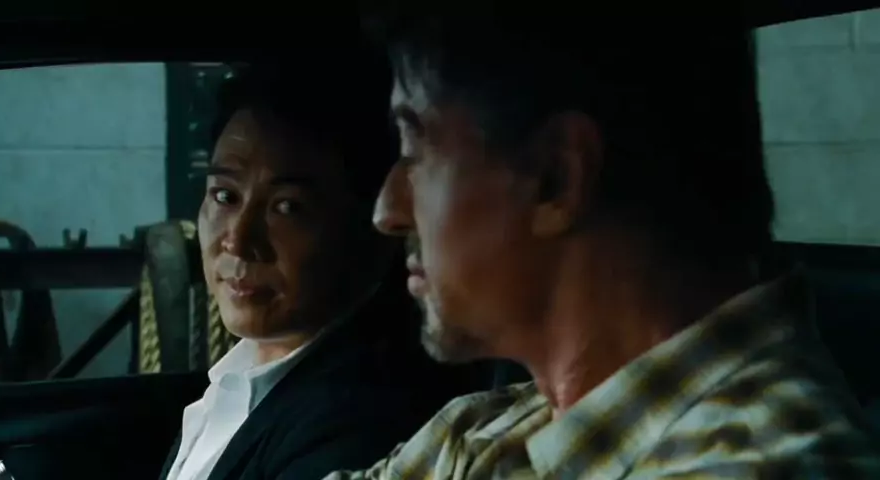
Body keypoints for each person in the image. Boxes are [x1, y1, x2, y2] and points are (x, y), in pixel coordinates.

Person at [326, 6, 880, 479]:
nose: (387, 212)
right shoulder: (479, 435)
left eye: (415, 153)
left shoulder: (763, 464)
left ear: (556, 178)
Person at [158, 57, 480, 480]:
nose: (237, 240)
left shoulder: (361, 421)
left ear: (374, 224)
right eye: (224, 196)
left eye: (287, 208)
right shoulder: (241, 378)